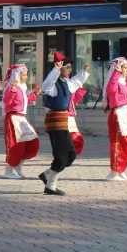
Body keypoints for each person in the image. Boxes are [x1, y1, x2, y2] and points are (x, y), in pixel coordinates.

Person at [39, 53, 90, 196]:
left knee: (71, 154)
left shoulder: (66, 83)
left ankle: (47, 174)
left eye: (70, 68)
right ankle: (50, 186)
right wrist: (55, 70)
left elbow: (76, 82)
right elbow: (46, 85)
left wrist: (84, 72)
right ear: (60, 68)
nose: (69, 70)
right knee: (61, 156)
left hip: (63, 122)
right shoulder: (53, 84)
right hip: (55, 122)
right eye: (67, 67)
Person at [2, 64, 40, 179]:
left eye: (26, 74)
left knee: (31, 141)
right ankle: (9, 170)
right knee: (16, 145)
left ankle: (18, 166)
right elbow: (6, 102)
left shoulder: (21, 88)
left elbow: (25, 101)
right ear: (17, 75)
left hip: (21, 118)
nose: (26, 77)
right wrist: (12, 90)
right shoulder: (11, 88)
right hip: (13, 118)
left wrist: (34, 94)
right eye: (23, 75)